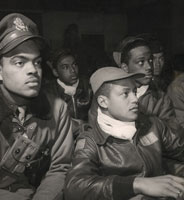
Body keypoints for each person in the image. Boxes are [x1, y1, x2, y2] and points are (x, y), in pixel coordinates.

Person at [0, 13, 73, 200]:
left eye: (37, 62)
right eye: (20, 62)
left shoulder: (57, 109)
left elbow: (60, 167)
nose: (33, 70)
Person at [64, 67, 184, 200]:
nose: (135, 99)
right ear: (103, 102)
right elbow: (75, 187)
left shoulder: (151, 125)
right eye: (125, 94)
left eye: (134, 91)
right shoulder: (91, 140)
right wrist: (135, 184)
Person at [90, 36, 175, 125]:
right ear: (125, 67)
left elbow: (171, 133)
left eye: (150, 60)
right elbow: (94, 127)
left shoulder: (161, 99)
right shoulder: (108, 95)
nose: (149, 67)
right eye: (141, 62)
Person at [46, 48, 92, 138]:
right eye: (65, 67)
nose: (73, 70)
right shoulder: (48, 92)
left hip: (88, 138)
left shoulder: (89, 87)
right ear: (55, 72)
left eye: (74, 65)